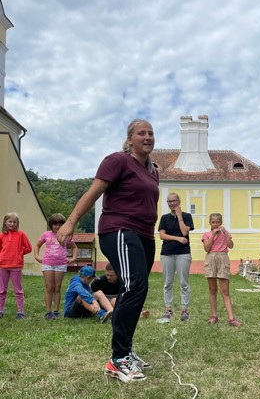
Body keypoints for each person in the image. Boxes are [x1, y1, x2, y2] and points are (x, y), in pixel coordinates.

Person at [57, 118, 159, 383]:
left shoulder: (152, 170)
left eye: (150, 133)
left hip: (144, 235)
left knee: (135, 289)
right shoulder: (117, 161)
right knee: (136, 285)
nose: (147, 137)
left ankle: (125, 350)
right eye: (141, 133)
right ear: (130, 139)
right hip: (119, 229)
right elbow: (94, 192)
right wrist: (70, 222)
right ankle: (118, 358)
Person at [157, 192, 194, 323]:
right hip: (167, 253)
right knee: (168, 282)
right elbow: (162, 235)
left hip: (183, 253)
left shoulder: (187, 216)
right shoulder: (164, 218)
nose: (172, 203)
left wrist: (179, 216)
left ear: (179, 201)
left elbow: (185, 231)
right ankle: (168, 309)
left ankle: (185, 310)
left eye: (174, 200)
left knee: (184, 282)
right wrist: (178, 238)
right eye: (169, 201)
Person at [34, 213, 78, 319]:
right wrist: (36, 256)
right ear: (51, 225)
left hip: (61, 265)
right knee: (49, 287)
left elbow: (74, 247)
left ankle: (56, 311)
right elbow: (37, 246)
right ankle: (48, 312)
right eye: (55, 224)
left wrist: (73, 258)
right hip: (47, 264)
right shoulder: (46, 234)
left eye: (59, 224)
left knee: (57, 287)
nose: (57, 227)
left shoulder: (65, 236)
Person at [202, 213, 241, 326]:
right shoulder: (206, 234)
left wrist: (225, 234)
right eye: (213, 222)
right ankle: (214, 315)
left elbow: (231, 245)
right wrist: (213, 235)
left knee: (225, 291)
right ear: (210, 223)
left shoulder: (225, 233)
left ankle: (231, 318)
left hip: (223, 258)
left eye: (217, 222)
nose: (215, 224)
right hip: (211, 258)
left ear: (221, 222)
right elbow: (207, 248)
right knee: (212, 289)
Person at [0, 212, 32, 319]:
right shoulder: (1, 235)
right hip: (3, 266)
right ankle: (0, 310)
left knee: (18, 290)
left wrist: (19, 253)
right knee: (2, 290)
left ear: (17, 223)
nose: (12, 224)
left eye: (15, 222)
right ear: (5, 222)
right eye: (10, 221)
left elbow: (28, 248)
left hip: (16, 266)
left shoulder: (21, 234)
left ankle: (20, 312)